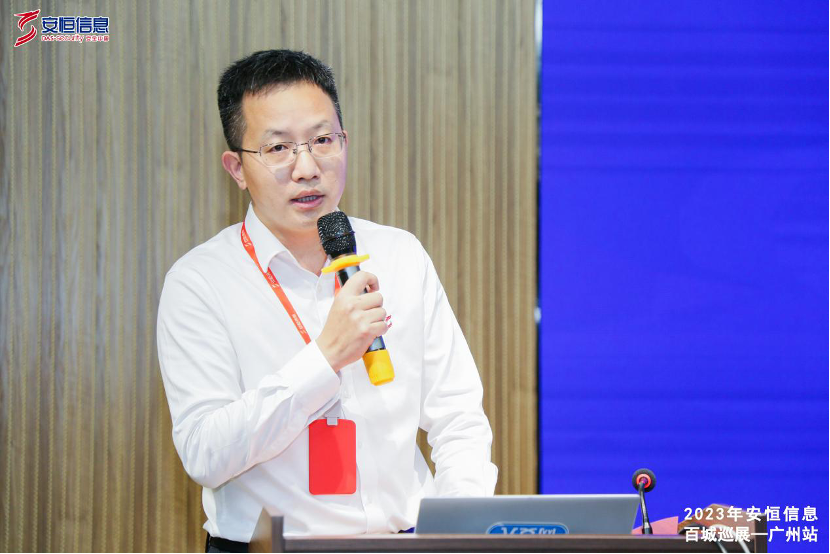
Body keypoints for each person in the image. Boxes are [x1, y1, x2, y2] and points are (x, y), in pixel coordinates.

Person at [156, 50, 497, 552]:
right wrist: (325, 358)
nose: (307, 167)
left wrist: (458, 532)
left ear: (344, 143)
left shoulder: (400, 255)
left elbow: (459, 417)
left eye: (322, 140)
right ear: (237, 167)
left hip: (404, 541)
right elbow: (205, 452)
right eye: (278, 148)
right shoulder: (200, 281)